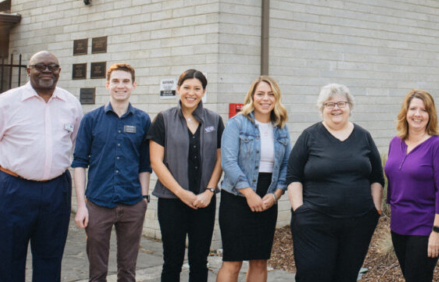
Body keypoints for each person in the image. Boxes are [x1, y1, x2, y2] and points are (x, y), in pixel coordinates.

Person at [0, 50, 83, 281]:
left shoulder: (71, 104)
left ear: (59, 71)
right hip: (13, 189)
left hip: (56, 190)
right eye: (40, 66)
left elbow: (73, 144)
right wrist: (3, 175)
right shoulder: (5, 103)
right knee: (8, 255)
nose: (46, 71)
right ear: (28, 71)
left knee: (50, 256)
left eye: (52, 66)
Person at [287, 83, 384, 282]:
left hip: (358, 224)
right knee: (312, 275)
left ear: (350, 106)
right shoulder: (309, 136)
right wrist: (300, 211)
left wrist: (375, 209)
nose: (336, 108)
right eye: (329, 104)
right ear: (322, 108)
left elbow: (376, 177)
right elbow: (293, 176)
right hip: (314, 224)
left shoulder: (363, 136)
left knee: (346, 276)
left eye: (341, 103)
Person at [72, 63, 152, 282]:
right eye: (115, 81)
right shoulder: (91, 119)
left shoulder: (143, 120)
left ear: (134, 85)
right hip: (98, 203)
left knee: (128, 271)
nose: (120, 86)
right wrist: (81, 205)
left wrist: (144, 198)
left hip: (132, 203)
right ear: (107, 85)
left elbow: (145, 164)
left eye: (126, 81)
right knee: (97, 272)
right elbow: (79, 162)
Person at [147, 69, 224, 282]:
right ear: (178, 89)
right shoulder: (163, 119)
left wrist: (209, 192)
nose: (191, 93)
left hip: (204, 201)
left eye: (197, 88)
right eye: (187, 87)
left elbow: (220, 160)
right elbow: (156, 161)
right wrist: (181, 193)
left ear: (204, 91)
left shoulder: (215, 120)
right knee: (172, 261)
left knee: (199, 261)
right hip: (171, 201)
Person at [217, 76, 291, 282]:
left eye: (271, 94)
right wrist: (249, 194)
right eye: (260, 94)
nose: (265, 98)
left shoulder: (281, 128)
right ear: (252, 97)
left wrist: (275, 196)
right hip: (236, 197)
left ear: (276, 98)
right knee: (233, 260)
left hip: (268, 199)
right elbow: (229, 162)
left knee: (259, 260)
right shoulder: (236, 123)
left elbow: (287, 165)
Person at [384, 89, 439, 282]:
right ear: (405, 112)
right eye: (413, 108)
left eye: (423, 110)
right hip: (399, 224)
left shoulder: (438, 147)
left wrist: (437, 232)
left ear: (430, 115)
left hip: (426, 224)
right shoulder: (395, 142)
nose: (417, 114)